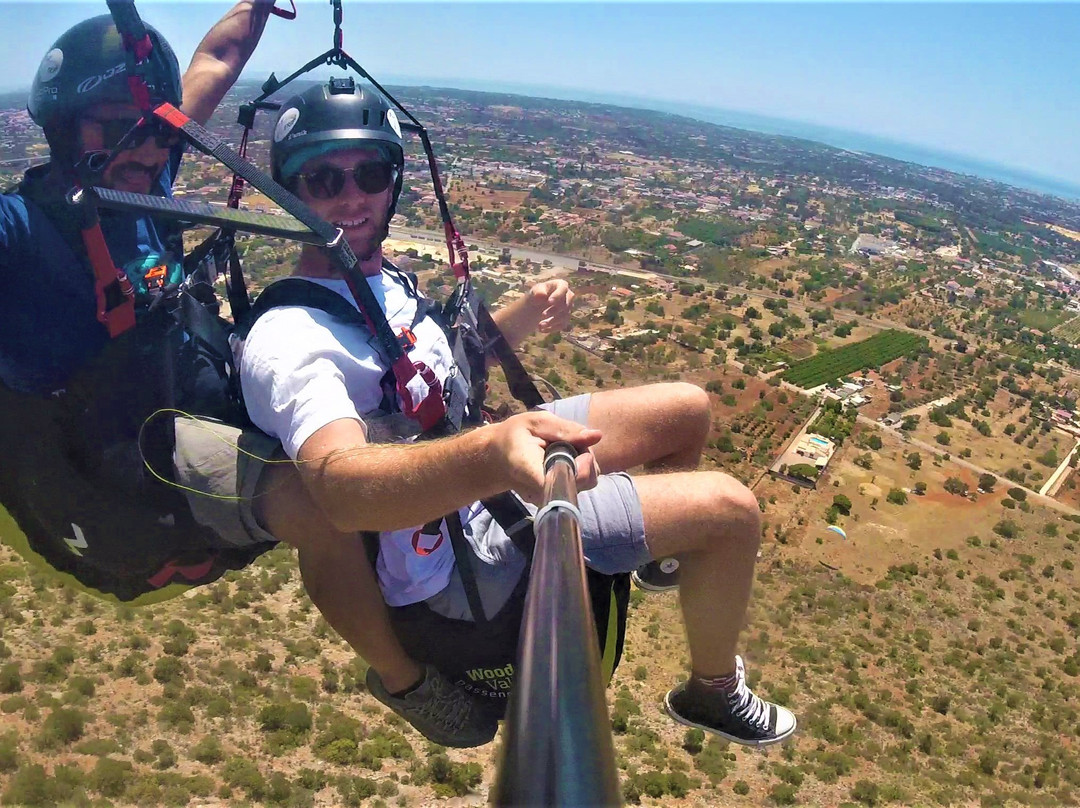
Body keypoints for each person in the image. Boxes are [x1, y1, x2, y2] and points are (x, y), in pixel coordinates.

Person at [234, 79, 798, 748]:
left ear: (395, 180)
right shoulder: (292, 337)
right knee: (733, 514)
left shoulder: (376, 278)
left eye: (371, 171)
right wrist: (491, 455)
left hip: (482, 459)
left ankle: (656, 562)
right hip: (457, 547)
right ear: (289, 189)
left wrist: (517, 322)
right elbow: (339, 485)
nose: (352, 195)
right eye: (324, 178)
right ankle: (711, 692)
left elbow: (437, 378)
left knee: (686, 411)